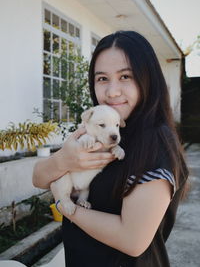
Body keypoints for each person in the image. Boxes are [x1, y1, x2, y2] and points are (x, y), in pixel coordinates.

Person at [32, 31, 189, 267]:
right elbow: (38, 178)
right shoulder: (98, 130)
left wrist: (67, 207)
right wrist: (63, 160)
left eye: (125, 76)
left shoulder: (155, 142)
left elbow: (132, 239)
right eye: (102, 78)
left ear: (147, 79)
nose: (112, 92)